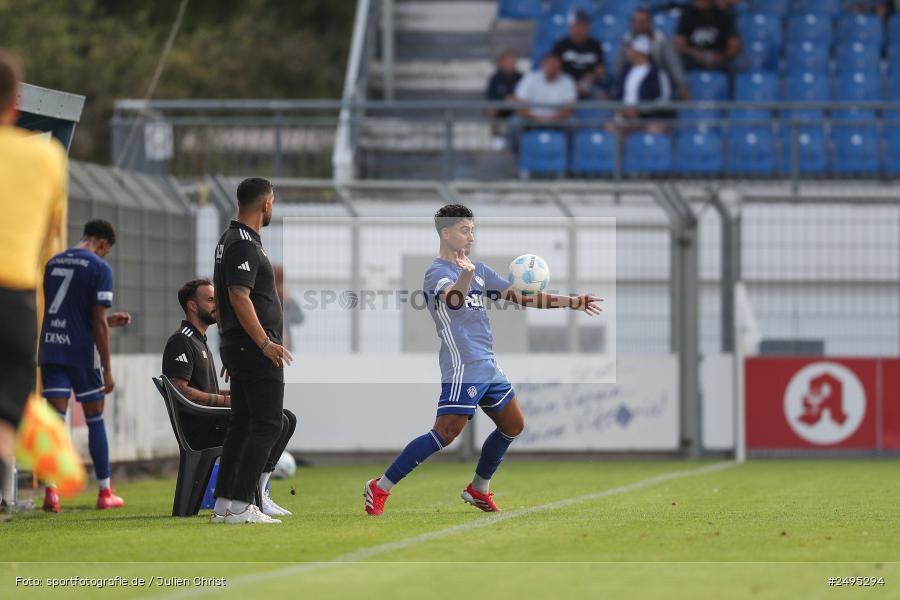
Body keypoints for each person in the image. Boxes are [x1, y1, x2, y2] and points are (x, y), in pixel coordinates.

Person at [364, 205, 601, 516]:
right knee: (445, 433)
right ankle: (380, 487)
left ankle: (478, 488)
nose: (471, 236)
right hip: (463, 365)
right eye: (465, 230)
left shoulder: (480, 270)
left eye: (473, 230)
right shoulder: (437, 272)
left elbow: (523, 297)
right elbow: (453, 300)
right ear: (446, 233)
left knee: (513, 425)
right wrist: (465, 275)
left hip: (488, 365)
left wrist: (571, 302)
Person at [0, 49, 78, 506]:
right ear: (15, 104)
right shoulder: (48, 157)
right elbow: (52, 247)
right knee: (5, 418)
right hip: (15, 301)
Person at [162, 278, 296, 517]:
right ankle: (252, 496)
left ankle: (260, 492)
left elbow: (206, 391)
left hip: (211, 419)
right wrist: (226, 401)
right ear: (192, 306)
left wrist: (237, 394)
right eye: (211, 300)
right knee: (276, 421)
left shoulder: (199, 340)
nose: (217, 305)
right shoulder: (181, 340)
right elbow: (179, 389)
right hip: (200, 428)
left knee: (286, 418)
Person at [210, 177, 293, 525]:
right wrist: (263, 342)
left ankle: (225, 505)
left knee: (243, 425)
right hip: (253, 348)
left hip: (239, 346)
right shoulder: (243, 243)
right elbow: (238, 296)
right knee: (267, 424)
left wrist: (234, 343)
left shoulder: (232, 240)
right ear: (266, 204)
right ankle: (243, 505)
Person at [38, 219, 133, 512]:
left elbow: (70, 311)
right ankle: (105, 492)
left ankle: (51, 492)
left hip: (52, 348)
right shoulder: (99, 268)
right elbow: (95, 322)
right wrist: (107, 368)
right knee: (94, 418)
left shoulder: (53, 263)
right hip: (82, 353)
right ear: (102, 244)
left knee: (54, 422)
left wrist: (107, 321)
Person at [614, 8, 689, 100]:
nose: (640, 25)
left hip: (658, 84)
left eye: (643, 22)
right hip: (635, 82)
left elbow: (674, 64)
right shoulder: (627, 41)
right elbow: (618, 68)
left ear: (650, 23)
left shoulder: (662, 40)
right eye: (636, 22)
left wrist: (682, 85)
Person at [508, 53, 577, 153]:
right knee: (515, 123)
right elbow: (519, 103)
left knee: (573, 123)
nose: (553, 68)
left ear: (560, 67)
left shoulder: (567, 81)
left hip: (558, 119)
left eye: (556, 66)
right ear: (543, 65)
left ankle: (569, 157)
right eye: (550, 65)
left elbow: (569, 108)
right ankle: (519, 155)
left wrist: (552, 119)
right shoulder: (530, 79)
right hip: (531, 118)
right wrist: (535, 117)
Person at [610, 35, 674, 134]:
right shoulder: (625, 71)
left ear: (639, 51)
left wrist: (640, 110)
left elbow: (663, 99)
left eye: (631, 48)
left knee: (655, 129)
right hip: (625, 117)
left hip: (649, 119)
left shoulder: (657, 73)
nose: (628, 51)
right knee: (611, 127)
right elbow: (617, 95)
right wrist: (623, 110)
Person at [552, 9, 606, 99]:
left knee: (603, 97)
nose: (579, 29)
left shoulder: (595, 45)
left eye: (583, 26)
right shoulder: (561, 45)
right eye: (577, 25)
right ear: (570, 27)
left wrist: (591, 78)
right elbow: (554, 68)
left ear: (588, 27)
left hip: (588, 84)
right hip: (564, 84)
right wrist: (571, 84)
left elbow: (600, 70)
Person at [674, 0, 741, 72]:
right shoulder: (687, 14)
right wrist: (695, 54)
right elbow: (678, 43)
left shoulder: (724, 15)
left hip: (720, 60)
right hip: (692, 60)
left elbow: (735, 45)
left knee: (737, 64)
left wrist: (721, 56)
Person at [485, 48, 523, 150]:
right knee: (492, 109)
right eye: (508, 61)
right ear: (501, 63)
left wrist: (515, 99)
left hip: (516, 109)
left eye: (513, 61)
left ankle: (518, 140)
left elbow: (526, 96)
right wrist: (504, 99)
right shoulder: (495, 78)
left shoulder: (521, 77)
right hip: (501, 109)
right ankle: (496, 137)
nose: (511, 63)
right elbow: (490, 96)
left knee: (522, 110)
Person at [273, 265, 304, 353]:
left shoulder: (286, 300)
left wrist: (289, 300)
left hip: (286, 348)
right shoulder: (265, 299)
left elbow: (299, 319)